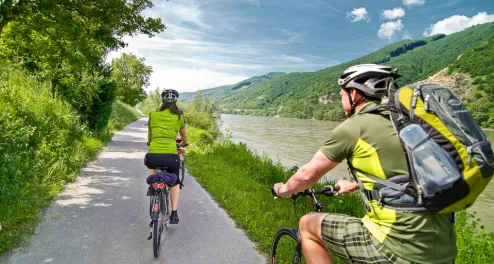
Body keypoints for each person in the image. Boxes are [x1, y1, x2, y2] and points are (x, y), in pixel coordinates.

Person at [272, 64, 456, 264]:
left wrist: (282, 190)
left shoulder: (354, 127)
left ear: (353, 93)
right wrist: (357, 184)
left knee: (307, 224)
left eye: (341, 95)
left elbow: (307, 175)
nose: (341, 100)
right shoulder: (410, 124)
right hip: (444, 248)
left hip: (395, 247)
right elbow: (409, 176)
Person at [145, 88, 188, 224]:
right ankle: (174, 213)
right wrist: (184, 144)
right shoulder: (179, 117)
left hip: (153, 155)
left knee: (151, 162)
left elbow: (150, 134)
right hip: (170, 156)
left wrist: (150, 142)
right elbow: (183, 135)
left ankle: (153, 183)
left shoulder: (153, 115)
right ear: (175, 101)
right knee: (174, 181)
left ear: (162, 101)